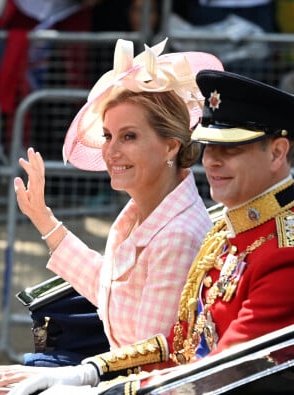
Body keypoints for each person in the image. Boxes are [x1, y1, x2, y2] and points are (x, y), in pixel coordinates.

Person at [0, 70, 294, 395]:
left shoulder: (289, 256)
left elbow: (219, 374)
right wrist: (90, 371)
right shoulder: (231, 230)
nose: (212, 161)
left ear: (277, 153)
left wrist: (102, 394)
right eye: (210, 146)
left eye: (231, 149)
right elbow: (183, 342)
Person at [13, 39, 223, 356]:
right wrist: (44, 219)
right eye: (108, 136)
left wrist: (73, 380)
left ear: (170, 145)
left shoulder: (178, 235)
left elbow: (148, 356)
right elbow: (112, 290)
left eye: (129, 136)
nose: (111, 151)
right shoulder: (142, 213)